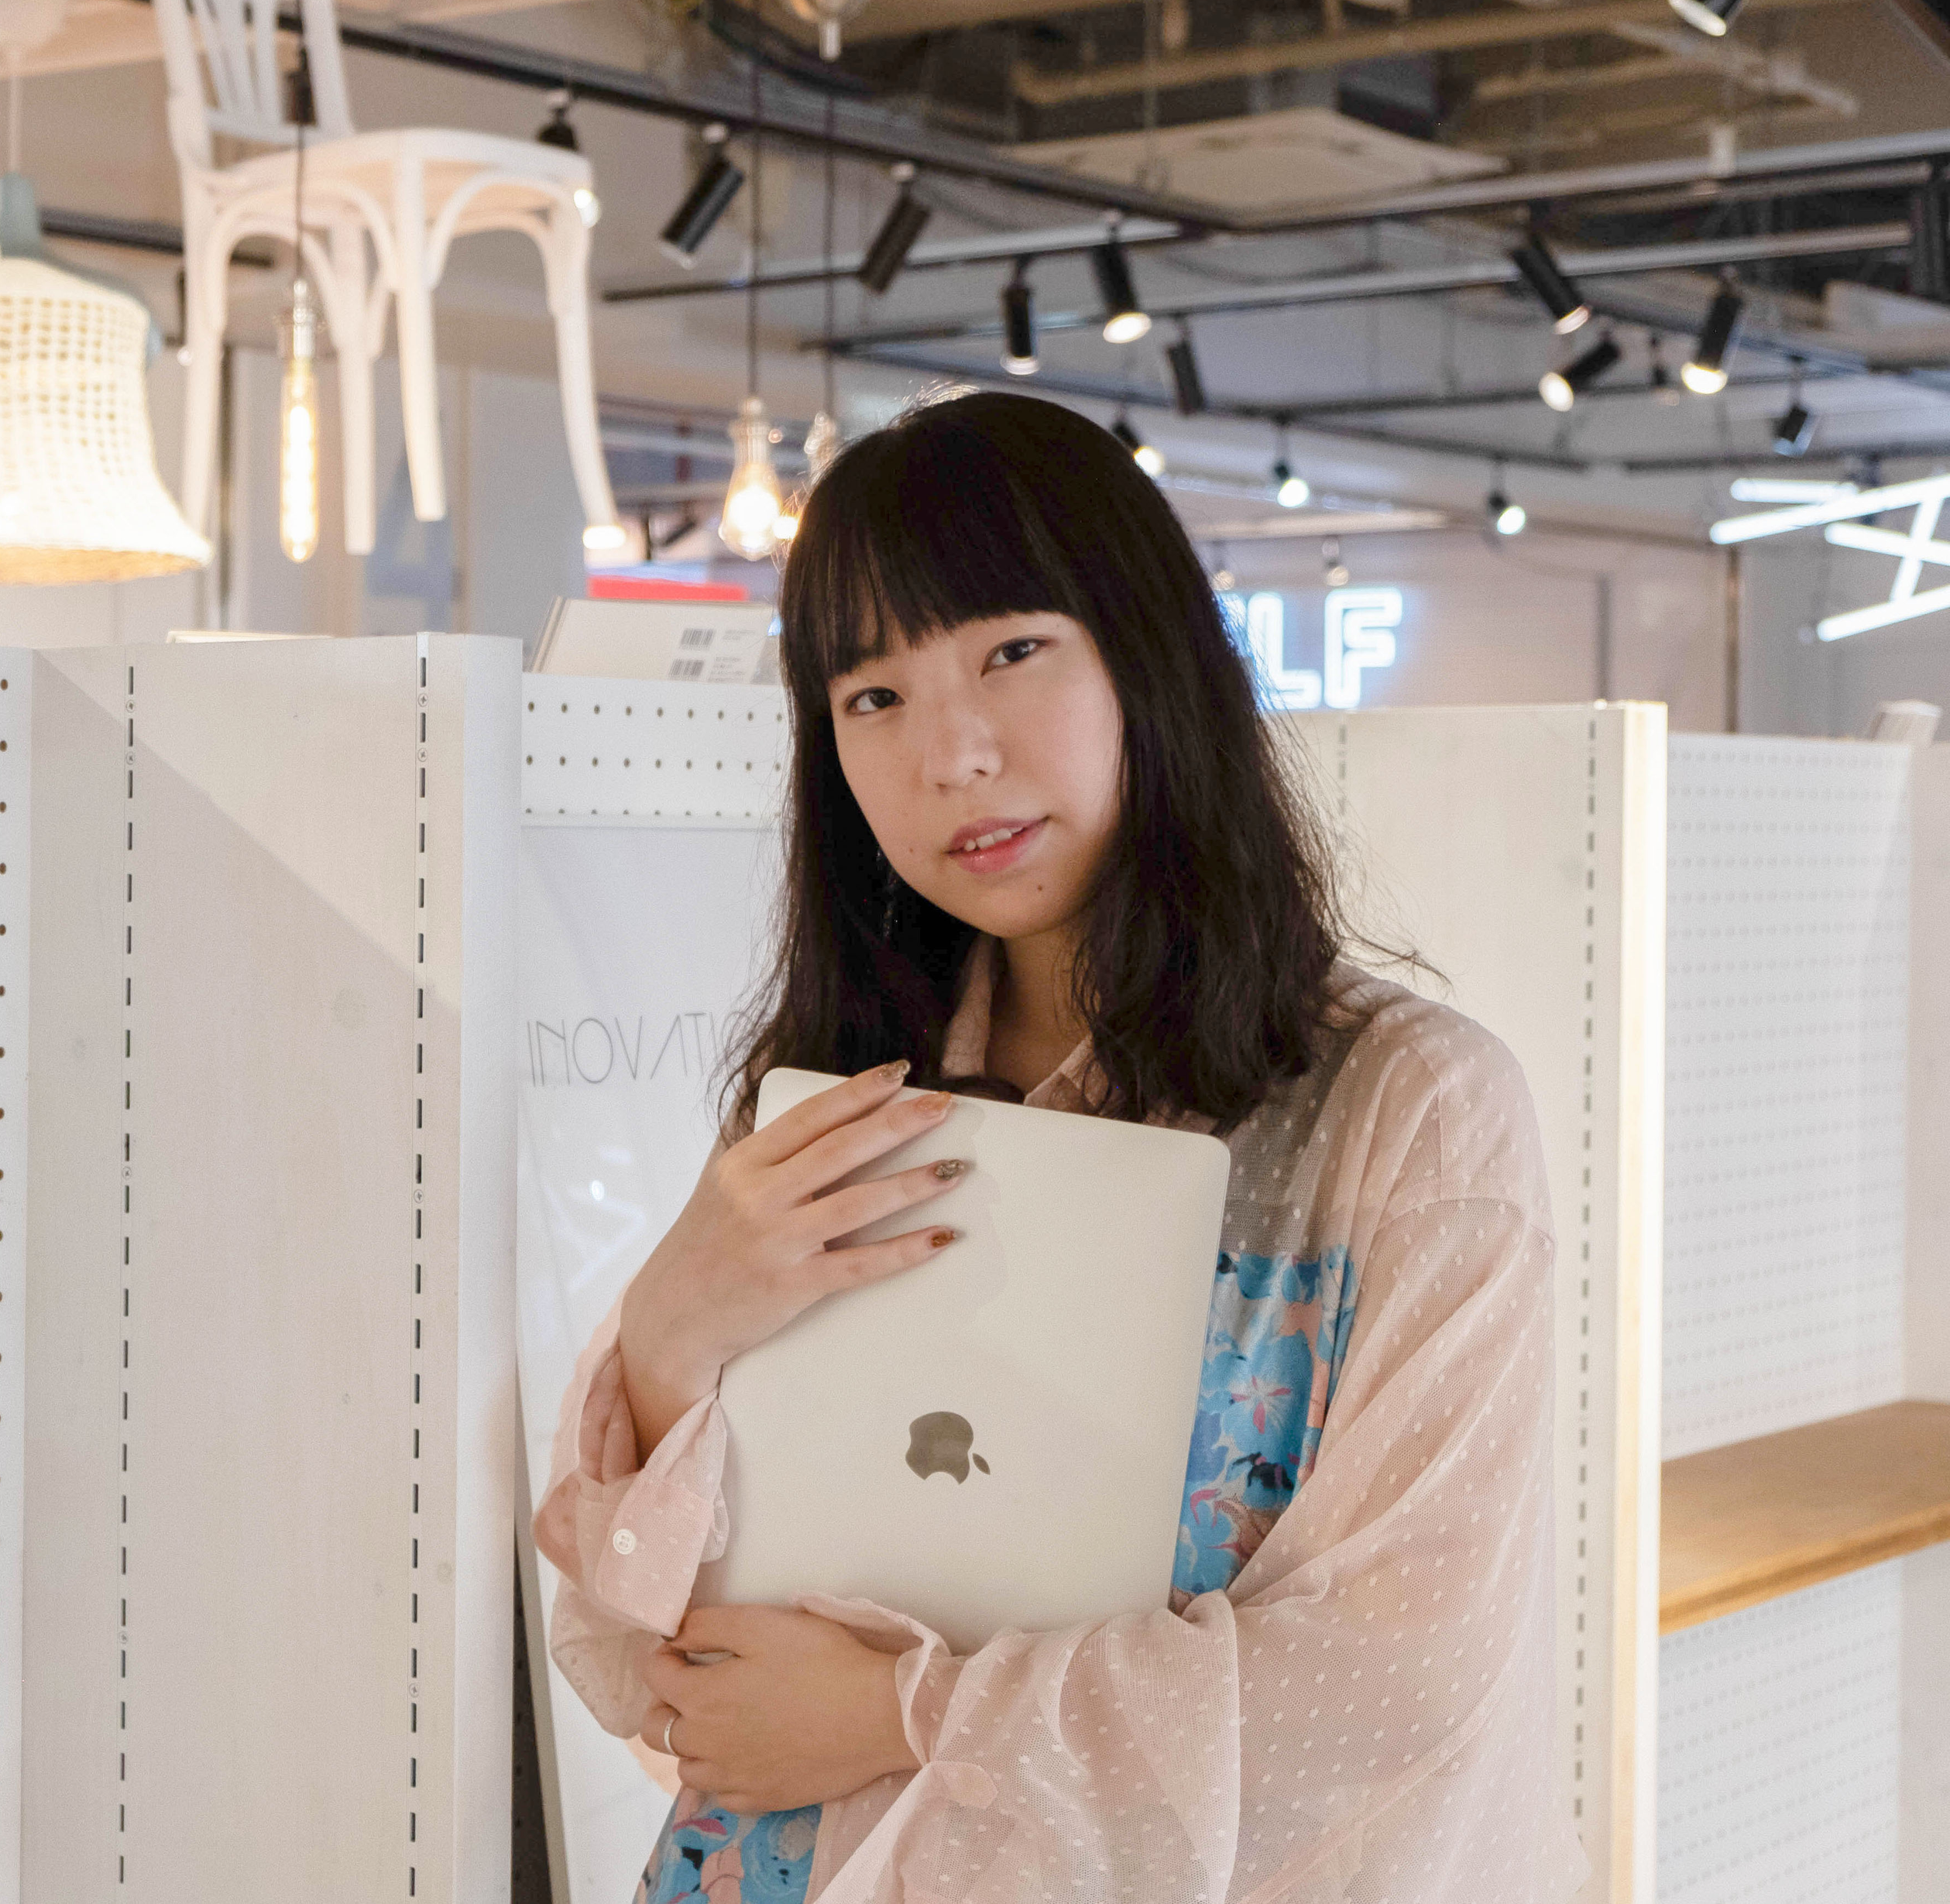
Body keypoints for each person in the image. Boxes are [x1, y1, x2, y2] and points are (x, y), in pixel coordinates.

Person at [531, 392, 1591, 1903]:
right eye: (870, 696)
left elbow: (1391, 1677)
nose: (949, 751)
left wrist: (902, 1712)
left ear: (1149, 658)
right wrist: (668, 1330)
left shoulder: (1406, 1107)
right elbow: (634, 1653)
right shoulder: (835, 1099)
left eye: (1010, 651)